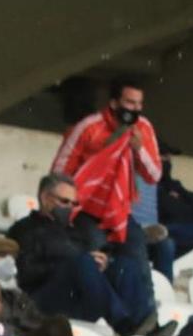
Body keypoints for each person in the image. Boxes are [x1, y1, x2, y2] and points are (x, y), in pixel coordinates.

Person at [6, 171, 162, 336]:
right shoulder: (24, 229)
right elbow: (25, 272)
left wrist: (102, 264)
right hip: (42, 300)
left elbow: (90, 265)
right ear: (44, 198)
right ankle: (124, 325)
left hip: (77, 297)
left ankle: (143, 325)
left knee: (124, 265)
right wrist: (69, 266)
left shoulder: (75, 231)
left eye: (74, 204)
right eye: (64, 201)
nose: (69, 208)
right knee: (81, 262)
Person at [51, 78, 159, 266]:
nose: (135, 109)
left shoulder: (144, 128)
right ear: (114, 103)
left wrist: (139, 149)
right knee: (97, 259)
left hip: (119, 211)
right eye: (129, 102)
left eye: (139, 104)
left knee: (137, 263)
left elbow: (154, 175)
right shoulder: (89, 126)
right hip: (86, 209)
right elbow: (60, 172)